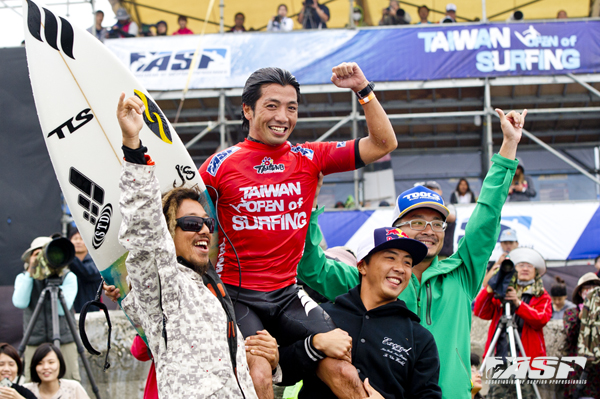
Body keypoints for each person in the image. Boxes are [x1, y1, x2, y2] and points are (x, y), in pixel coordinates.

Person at [297, 108, 528, 399]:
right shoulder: (371, 277)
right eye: (417, 222)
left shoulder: (462, 273)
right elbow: (313, 268)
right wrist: (305, 200)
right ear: (396, 228)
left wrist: (508, 146)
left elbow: (487, 215)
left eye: (437, 222)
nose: (429, 230)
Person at [197, 62, 396, 398]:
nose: (283, 117)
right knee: (258, 372)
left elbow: (383, 143)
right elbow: (192, 232)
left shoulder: (309, 157)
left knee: (343, 369)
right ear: (247, 110)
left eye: (291, 108)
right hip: (236, 295)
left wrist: (363, 90)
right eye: (271, 106)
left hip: (288, 294)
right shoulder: (218, 166)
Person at [110, 92, 258, 398]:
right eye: (190, 223)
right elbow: (145, 230)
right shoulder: (162, 284)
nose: (204, 229)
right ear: (168, 232)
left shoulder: (212, 289)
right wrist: (133, 146)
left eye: (208, 223)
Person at [288, 227, 441, 398]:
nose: (400, 268)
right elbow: (281, 372)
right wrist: (315, 345)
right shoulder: (321, 315)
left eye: (407, 262)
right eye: (390, 258)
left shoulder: (419, 338)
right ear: (362, 266)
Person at [473, 247, 552, 399]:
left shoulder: (541, 295)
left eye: (529, 266)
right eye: (521, 265)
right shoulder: (501, 292)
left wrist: (518, 303)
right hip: (500, 357)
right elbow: (480, 311)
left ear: (536, 272)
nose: (525, 268)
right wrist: (492, 286)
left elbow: (541, 319)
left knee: (525, 395)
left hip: (526, 359)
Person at [12, 237, 80, 382]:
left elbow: (62, 310)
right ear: (30, 257)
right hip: (35, 339)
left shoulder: (68, 277)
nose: (44, 258)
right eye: (38, 254)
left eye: (47, 253)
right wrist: (32, 271)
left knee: (69, 381)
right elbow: (20, 302)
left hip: (64, 340)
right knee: (33, 384)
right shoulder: (23, 278)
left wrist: (56, 278)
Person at [563, 272, 600, 399]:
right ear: (580, 293)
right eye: (587, 288)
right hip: (579, 372)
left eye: (595, 287)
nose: (591, 291)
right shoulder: (571, 313)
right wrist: (581, 318)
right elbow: (570, 336)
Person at [23, 344, 89, 399]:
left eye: (51, 362)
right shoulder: (26, 390)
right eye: (40, 363)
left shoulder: (73, 388)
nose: (46, 367)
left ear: (60, 364)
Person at [68, 227, 102, 313]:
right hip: (70, 311)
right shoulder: (66, 263)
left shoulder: (97, 262)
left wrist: (69, 254)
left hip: (92, 311)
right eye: (75, 238)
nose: (78, 242)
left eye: (82, 238)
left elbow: (86, 273)